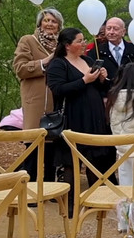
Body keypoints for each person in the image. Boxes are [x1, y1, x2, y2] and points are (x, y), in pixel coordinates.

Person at [45, 27, 114, 215]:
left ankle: (95, 201)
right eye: (79, 41)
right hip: (73, 117)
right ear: (67, 45)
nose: (84, 44)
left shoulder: (88, 60)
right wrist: (84, 80)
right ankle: (70, 204)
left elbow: (102, 89)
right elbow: (58, 89)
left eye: (84, 40)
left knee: (94, 159)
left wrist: (102, 78)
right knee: (71, 161)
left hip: (93, 117)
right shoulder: (58, 64)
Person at [13, 8, 63, 181]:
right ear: (40, 23)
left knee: (52, 150)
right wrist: (44, 62)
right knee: (33, 148)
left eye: (53, 21)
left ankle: (49, 189)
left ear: (59, 26)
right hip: (36, 103)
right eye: (46, 20)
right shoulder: (28, 41)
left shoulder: (62, 45)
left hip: (57, 103)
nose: (49, 24)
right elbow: (20, 69)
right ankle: (31, 190)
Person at [86, 17, 134, 84]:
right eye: (108, 29)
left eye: (115, 29)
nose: (111, 32)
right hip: (108, 92)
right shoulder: (95, 52)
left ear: (123, 32)